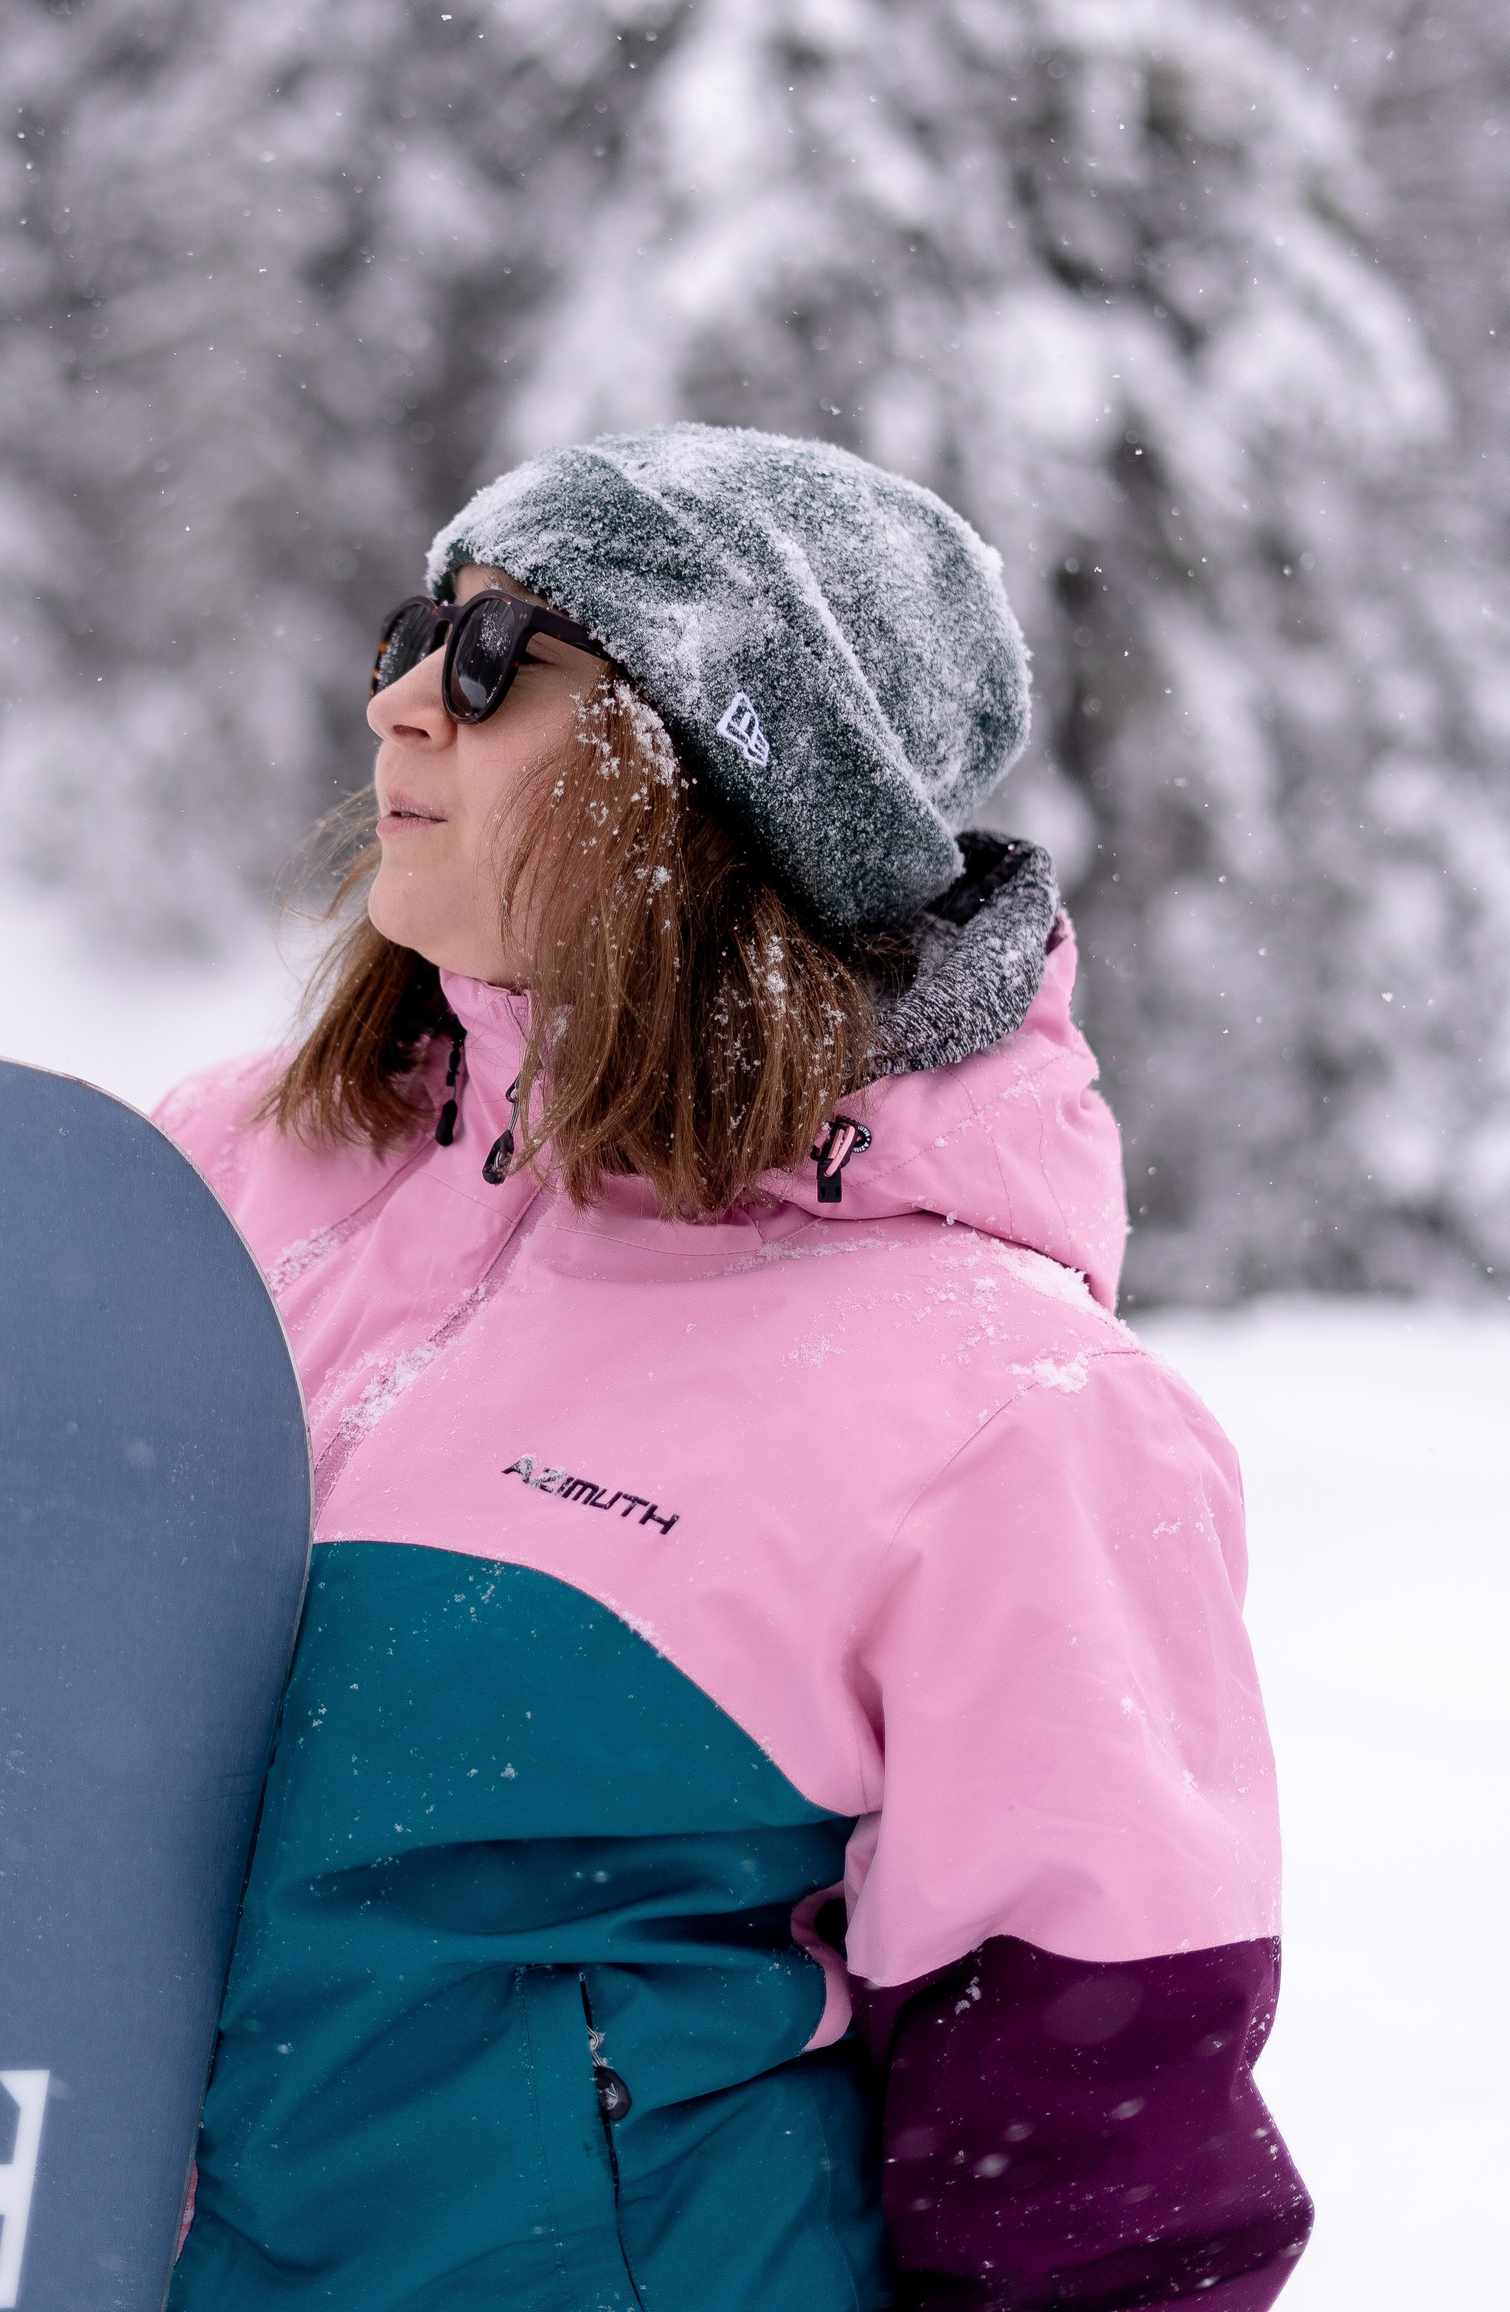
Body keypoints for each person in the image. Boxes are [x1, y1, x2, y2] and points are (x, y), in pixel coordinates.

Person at [157, 425, 1312, 2312]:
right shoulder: (209, 1180)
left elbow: (1101, 2188)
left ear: (721, 771)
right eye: (413, 632)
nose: (399, 704)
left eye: (495, 656)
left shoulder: (1001, 1413)